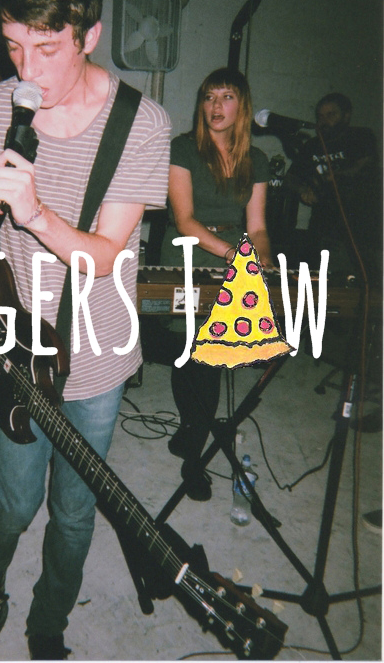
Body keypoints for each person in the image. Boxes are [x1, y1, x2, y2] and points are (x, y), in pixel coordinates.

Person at [0, 0, 170, 660]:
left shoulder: (142, 124)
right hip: (19, 344)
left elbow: (106, 254)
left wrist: (34, 215)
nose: (27, 71)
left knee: (74, 510)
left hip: (99, 352)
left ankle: (50, 619)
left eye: (48, 48)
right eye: (13, 47)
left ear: (89, 35)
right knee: (14, 499)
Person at [160, 67, 274, 501]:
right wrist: (235, 257)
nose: (215, 106)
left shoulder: (256, 159)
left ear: (242, 106)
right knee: (197, 354)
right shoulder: (183, 149)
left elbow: (257, 226)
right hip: (189, 252)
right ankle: (194, 456)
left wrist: (262, 260)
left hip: (234, 252)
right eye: (209, 97)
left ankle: (190, 432)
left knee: (210, 356)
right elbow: (185, 221)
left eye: (226, 97)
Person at [283, 92, 380, 278]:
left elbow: (362, 166)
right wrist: (304, 190)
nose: (324, 121)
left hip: (358, 222)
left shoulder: (360, 136)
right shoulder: (311, 146)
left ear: (346, 116)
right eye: (320, 116)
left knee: (359, 276)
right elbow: (290, 179)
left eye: (331, 115)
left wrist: (332, 177)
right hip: (323, 225)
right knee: (318, 276)